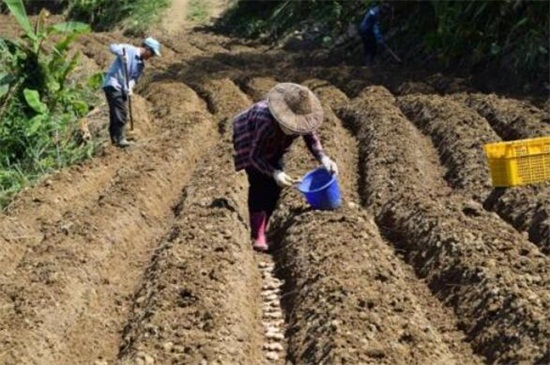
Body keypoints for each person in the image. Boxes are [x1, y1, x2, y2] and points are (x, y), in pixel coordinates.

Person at [232, 83, 339, 252]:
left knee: (275, 188)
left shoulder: (303, 120)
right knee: (259, 182)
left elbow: (311, 138)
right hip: (249, 138)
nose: (296, 130)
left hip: (274, 143)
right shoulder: (264, 121)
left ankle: (264, 227)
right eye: (291, 126)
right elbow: (255, 156)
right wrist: (274, 172)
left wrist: (323, 158)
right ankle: (257, 234)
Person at [102, 37, 161, 147]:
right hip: (113, 84)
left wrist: (130, 87)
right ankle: (120, 139)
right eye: (151, 53)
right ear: (147, 49)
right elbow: (112, 47)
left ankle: (115, 140)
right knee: (121, 112)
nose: (151, 57)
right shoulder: (128, 49)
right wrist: (120, 53)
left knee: (115, 113)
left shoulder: (141, 64)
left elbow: (134, 78)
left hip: (123, 88)